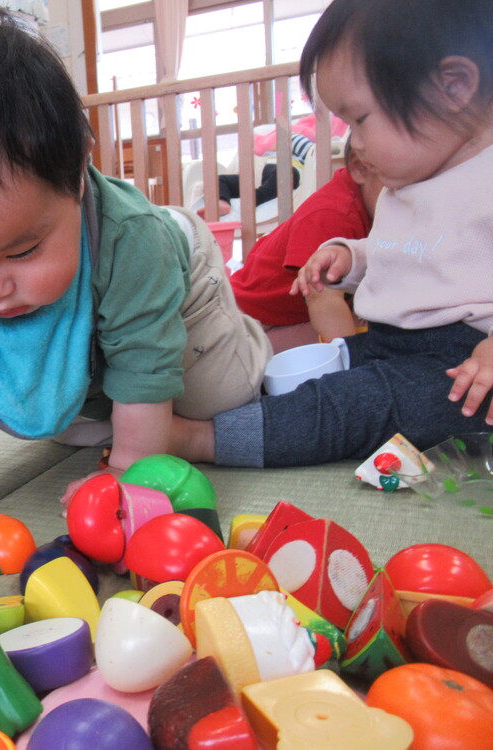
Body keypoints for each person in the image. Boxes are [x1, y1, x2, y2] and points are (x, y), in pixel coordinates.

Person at [0, 11, 272, 523]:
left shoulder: (131, 242)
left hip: (174, 276)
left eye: (21, 252)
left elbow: (144, 363)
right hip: (97, 305)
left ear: (77, 179)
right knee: (75, 423)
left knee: (219, 397)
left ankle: (269, 337)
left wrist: (130, 468)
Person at [170, 0, 493, 469]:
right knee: (303, 371)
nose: (353, 144)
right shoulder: (410, 184)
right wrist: (351, 258)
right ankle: (236, 414)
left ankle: (200, 441)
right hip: (387, 343)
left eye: (360, 119)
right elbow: (407, 254)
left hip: (460, 367)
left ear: (453, 87)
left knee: (354, 407)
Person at [230, 139, 385, 352]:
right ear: (360, 168)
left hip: (292, 312)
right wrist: (355, 370)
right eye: (402, 188)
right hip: (252, 322)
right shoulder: (334, 215)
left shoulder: (370, 201)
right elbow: (321, 296)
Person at [205, 134, 311, 218]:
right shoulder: (264, 155)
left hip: (285, 171)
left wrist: (289, 138)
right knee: (219, 179)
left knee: (284, 173)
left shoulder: (296, 156)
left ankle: (256, 197)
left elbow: (308, 148)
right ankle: (222, 201)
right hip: (256, 176)